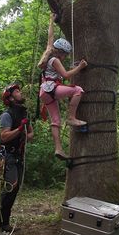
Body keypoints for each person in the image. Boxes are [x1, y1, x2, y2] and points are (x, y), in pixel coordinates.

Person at [38, 14, 87, 160]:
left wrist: (51, 22)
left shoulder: (48, 54)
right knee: (78, 90)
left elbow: (50, 38)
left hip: (44, 92)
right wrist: (80, 67)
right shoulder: (55, 60)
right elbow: (66, 76)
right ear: (60, 52)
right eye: (65, 54)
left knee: (55, 121)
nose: (65, 57)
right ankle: (71, 117)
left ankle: (58, 149)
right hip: (52, 88)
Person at [0, 83, 34, 235]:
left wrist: (25, 133)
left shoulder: (23, 113)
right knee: (9, 187)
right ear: (9, 97)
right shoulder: (7, 115)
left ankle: (5, 223)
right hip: (7, 154)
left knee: (14, 190)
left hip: (18, 155)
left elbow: (31, 135)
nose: (20, 92)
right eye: (17, 91)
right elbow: (4, 136)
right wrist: (19, 130)